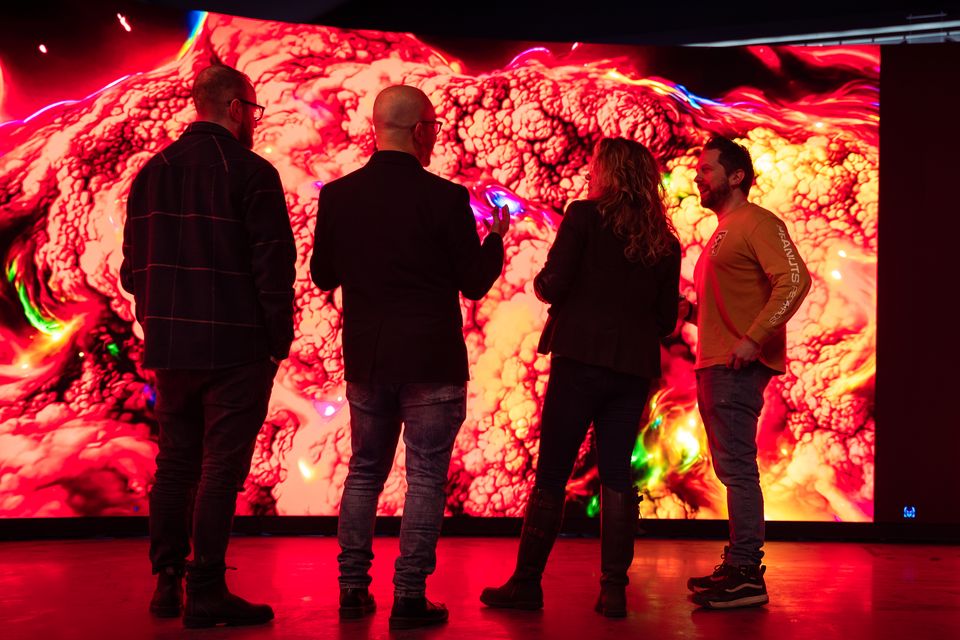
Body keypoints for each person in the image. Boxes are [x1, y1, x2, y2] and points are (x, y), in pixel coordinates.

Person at [310, 84, 509, 630]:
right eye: (434, 127)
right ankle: (409, 596)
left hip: (368, 360)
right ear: (421, 130)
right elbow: (472, 284)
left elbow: (322, 275)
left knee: (364, 472)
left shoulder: (339, 196)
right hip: (432, 360)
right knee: (425, 478)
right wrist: (495, 238)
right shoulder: (445, 198)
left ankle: (352, 588)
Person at [120, 64, 296, 628]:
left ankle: (166, 584)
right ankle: (207, 590)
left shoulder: (152, 173)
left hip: (171, 345)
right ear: (236, 107)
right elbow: (275, 268)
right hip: (237, 349)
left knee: (175, 464)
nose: (255, 121)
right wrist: (276, 343)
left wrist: (163, 311)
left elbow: (131, 269)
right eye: (254, 110)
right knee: (220, 468)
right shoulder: (252, 173)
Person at [481, 137, 681, 617]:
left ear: (607, 173)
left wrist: (545, 285)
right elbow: (665, 320)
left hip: (578, 362)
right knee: (617, 476)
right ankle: (613, 589)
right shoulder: (665, 241)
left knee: (552, 473)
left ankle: (527, 584)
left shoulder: (584, 217)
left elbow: (553, 282)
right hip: (631, 370)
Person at [680, 135, 811, 609]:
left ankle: (746, 575)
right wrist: (689, 312)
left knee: (737, 471)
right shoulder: (724, 230)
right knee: (732, 469)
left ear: (736, 177)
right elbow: (729, 309)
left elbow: (796, 279)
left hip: (734, 368)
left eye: (707, 168)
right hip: (717, 364)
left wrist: (754, 339)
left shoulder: (756, 221)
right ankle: (738, 566)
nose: (699, 175)